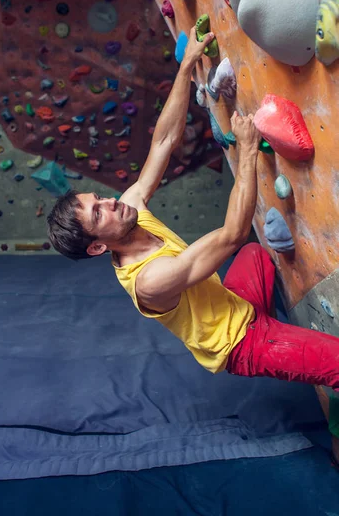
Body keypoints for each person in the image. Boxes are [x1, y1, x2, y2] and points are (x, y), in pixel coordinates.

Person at [47, 26, 339, 391]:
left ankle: (301, 351)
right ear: (97, 247)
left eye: (99, 198)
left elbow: (164, 141)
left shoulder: (129, 207)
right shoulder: (149, 282)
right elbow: (232, 232)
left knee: (255, 255)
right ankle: (299, 357)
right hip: (243, 344)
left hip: (234, 305)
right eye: (98, 213)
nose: (110, 202)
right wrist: (248, 151)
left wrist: (185, 68)